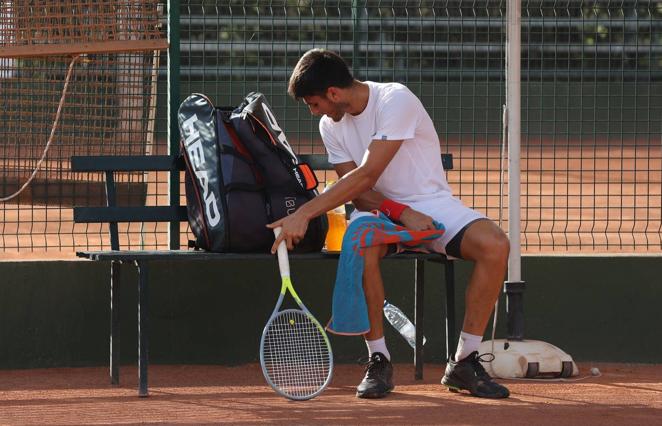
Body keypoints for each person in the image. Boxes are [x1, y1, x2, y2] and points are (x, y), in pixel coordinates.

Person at [268, 49, 510, 400]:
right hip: (378, 212)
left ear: (333, 93)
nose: (314, 112)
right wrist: (399, 212)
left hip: (433, 204)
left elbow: (368, 173)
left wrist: (304, 213)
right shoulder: (330, 126)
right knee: (360, 242)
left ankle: (463, 361)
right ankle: (378, 359)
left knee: (496, 245)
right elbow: (359, 191)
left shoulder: (395, 99)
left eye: (314, 103)